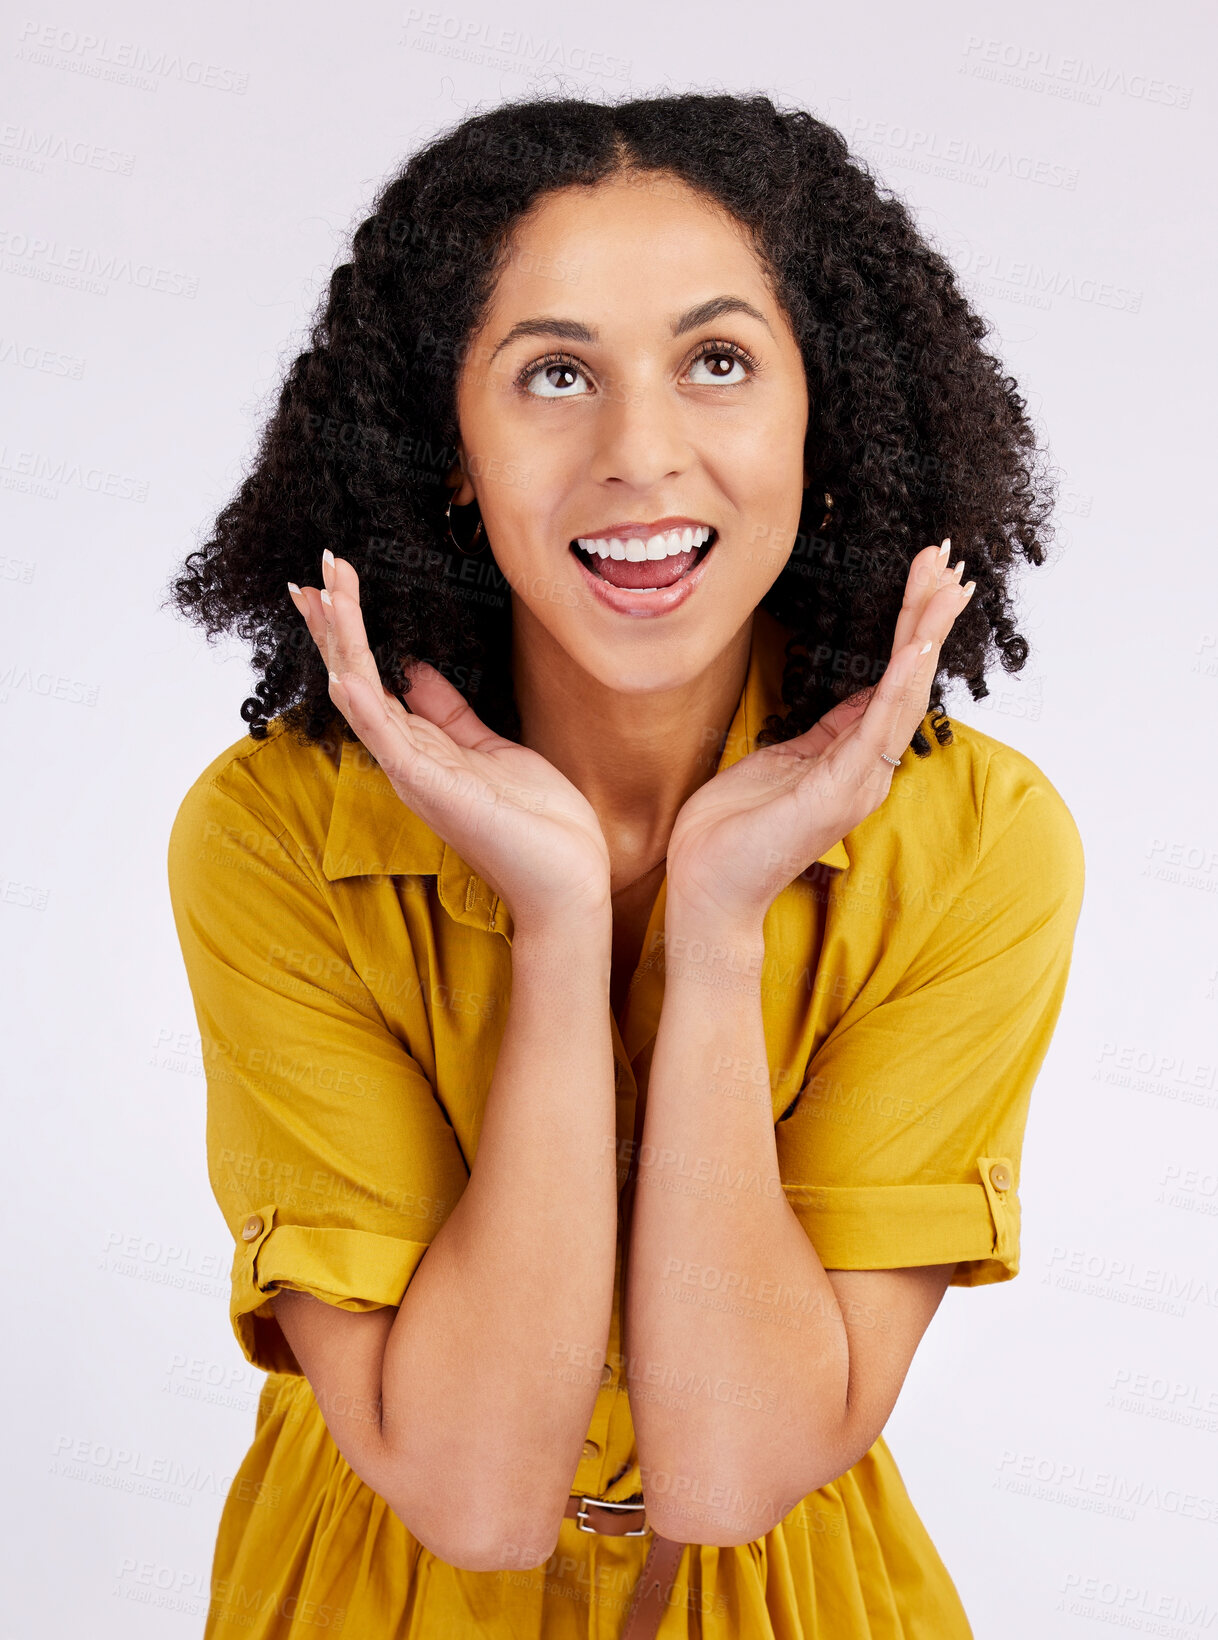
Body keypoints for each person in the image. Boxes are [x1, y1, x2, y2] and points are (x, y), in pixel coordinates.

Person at [166, 90, 1085, 1639]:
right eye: (552, 375)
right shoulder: (276, 834)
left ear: (825, 418)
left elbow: (731, 1477)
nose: (640, 453)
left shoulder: (973, 842)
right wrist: (553, 923)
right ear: (446, 447)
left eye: (716, 362)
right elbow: (468, 1489)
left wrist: (719, 929)